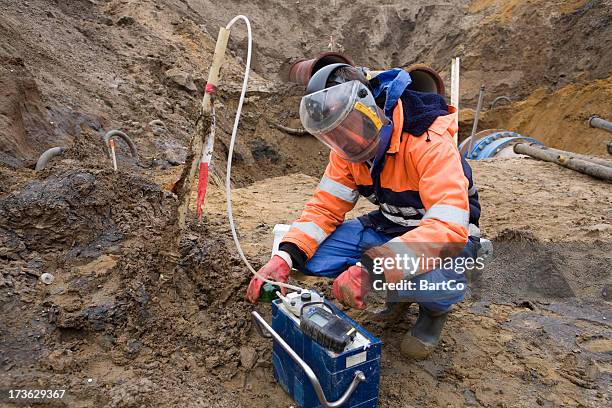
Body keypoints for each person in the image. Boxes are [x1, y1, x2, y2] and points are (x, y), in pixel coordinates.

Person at [246, 63, 481, 359]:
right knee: (308, 258)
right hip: (391, 225)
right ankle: (398, 297)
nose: (344, 141)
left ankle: (433, 313)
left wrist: (371, 269)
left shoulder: (428, 142)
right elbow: (324, 208)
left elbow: (448, 230)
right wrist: (284, 257)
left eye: (348, 126)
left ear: (369, 107)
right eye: (334, 135)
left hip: (450, 242)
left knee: (417, 277)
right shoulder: (346, 150)